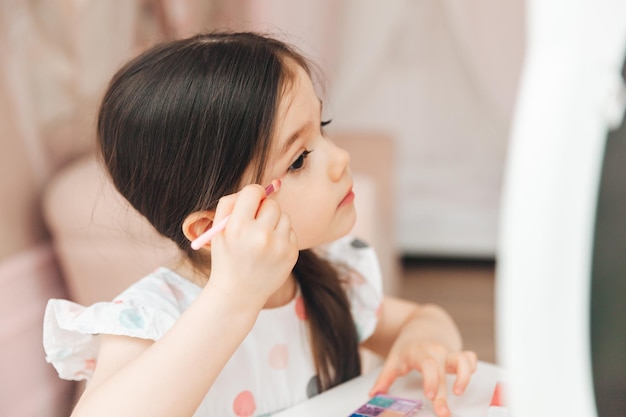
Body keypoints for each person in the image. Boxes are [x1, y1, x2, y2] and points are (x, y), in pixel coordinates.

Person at [43, 31, 477, 417]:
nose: (340, 158)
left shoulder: (326, 282)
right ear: (210, 228)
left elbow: (424, 318)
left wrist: (423, 342)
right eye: (300, 159)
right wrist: (233, 298)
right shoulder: (153, 319)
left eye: (321, 128)